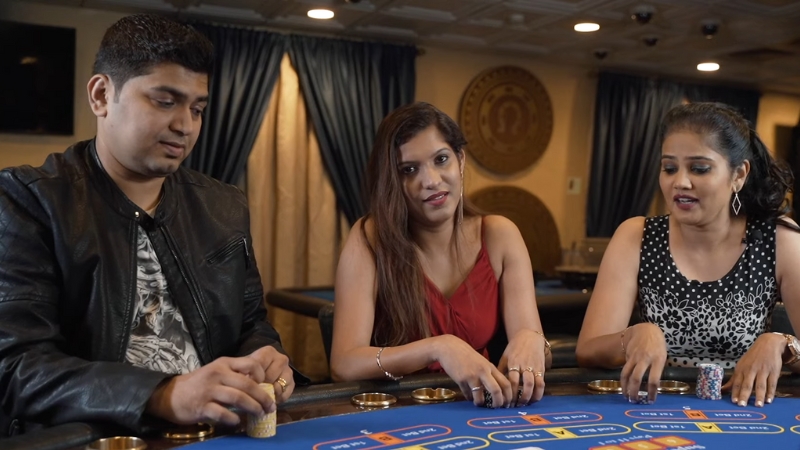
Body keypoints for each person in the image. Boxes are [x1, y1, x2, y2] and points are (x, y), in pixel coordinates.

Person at [0, 14, 303, 436]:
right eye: (165, 101)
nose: (186, 125)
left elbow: (251, 323)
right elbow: (15, 367)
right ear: (102, 95)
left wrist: (265, 355)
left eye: (198, 108)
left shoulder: (224, 204)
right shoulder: (27, 200)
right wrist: (162, 394)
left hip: (217, 433)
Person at [576, 102, 800, 407]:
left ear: (738, 174)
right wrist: (632, 336)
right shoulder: (636, 236)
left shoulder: (779, 239)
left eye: (699, 168)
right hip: (656, 408)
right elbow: (588, 349)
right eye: (669, 168)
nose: (679, 181)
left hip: (746, 409)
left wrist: (782, 345)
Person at [330, 102, 551, 408]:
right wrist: (439, 348)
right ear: (393, 181)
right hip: (400, 411)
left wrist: (533, 340)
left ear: (460, 161)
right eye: (409, 170)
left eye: (441, 159)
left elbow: (533, 349)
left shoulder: (500, 235)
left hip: (479, 407)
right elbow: (344, 363)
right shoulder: (369, 239)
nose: (431, 180)